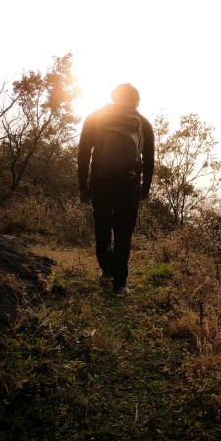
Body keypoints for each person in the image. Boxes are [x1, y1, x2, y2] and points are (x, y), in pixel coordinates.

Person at [77, 83, 154, 296]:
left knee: (102, 228)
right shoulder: (143, 123)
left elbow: (83, 154)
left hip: (100, 184)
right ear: (135, 101)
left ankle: (106, 270)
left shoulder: (94, 117)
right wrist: (145, 189)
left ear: (113, 97)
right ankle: (120, 284)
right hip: (128, 187)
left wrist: (83, 186)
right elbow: (149, 160)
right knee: (123, 234)